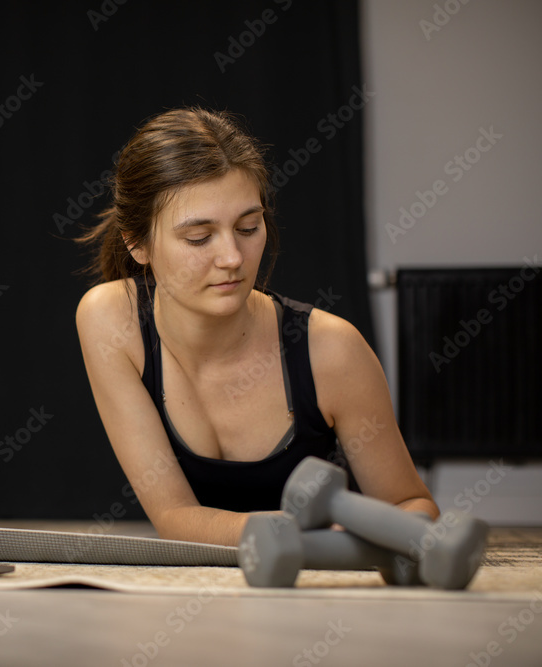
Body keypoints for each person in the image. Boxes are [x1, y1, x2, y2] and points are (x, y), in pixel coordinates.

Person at [75, 107, 439, 547]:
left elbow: (412, 504)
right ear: (137, 243)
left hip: (330, 580)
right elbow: (174, 516)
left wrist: (354, 538)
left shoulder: (332, 349)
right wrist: (302, 533)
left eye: (248, 227)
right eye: (199, 238)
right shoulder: (111, 320)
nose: (232, 257)